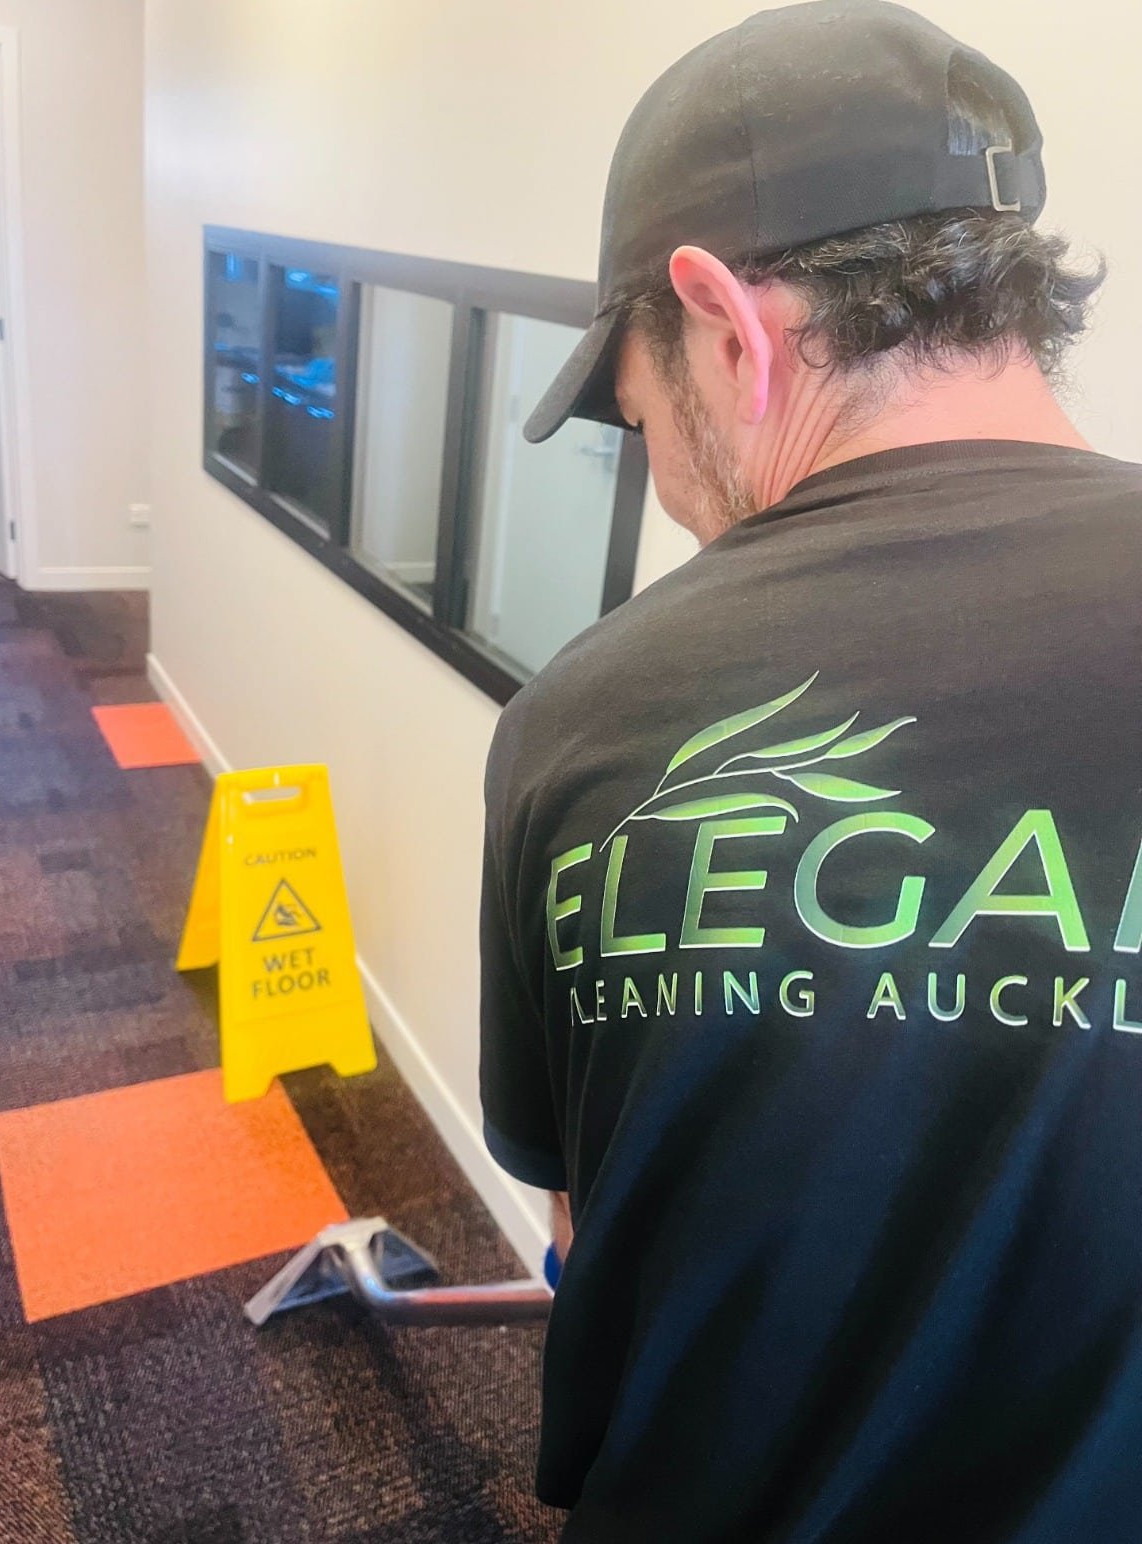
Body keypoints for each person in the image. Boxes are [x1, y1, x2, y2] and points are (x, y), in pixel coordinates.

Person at [479, 3, 1141, 1539]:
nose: (665, 481)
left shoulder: (588, 716)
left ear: (725, 322)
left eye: (637, 414)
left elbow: (586, 1227)